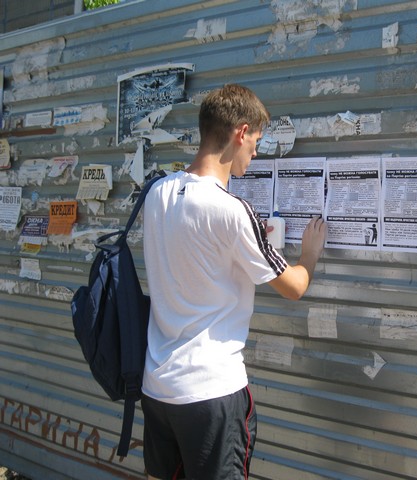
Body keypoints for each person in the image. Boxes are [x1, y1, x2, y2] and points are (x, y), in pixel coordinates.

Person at [141, 84, 327, 480]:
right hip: (211, 393)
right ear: (240, 133)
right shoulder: (232, 210)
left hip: (157, 388)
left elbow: (194, 257)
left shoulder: (157, 193)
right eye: (256, 141)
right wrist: (309, 255)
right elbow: (294, 287)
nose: (255, 153)